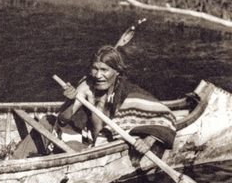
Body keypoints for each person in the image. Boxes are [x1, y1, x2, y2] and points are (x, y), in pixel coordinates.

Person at [13, 45, 176, 158]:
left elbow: (164, 117)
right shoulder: (87, 86)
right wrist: (70, 101)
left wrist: (148, 140)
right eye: (95, 69)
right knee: (46, 121)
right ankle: (16, 162)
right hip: (86, 142)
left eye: (104, 70)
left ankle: (40, 160)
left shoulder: (129, 93)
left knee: (75, 149)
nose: (98, 75)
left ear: (117, 72)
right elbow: (62, 119)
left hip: (104, 146)